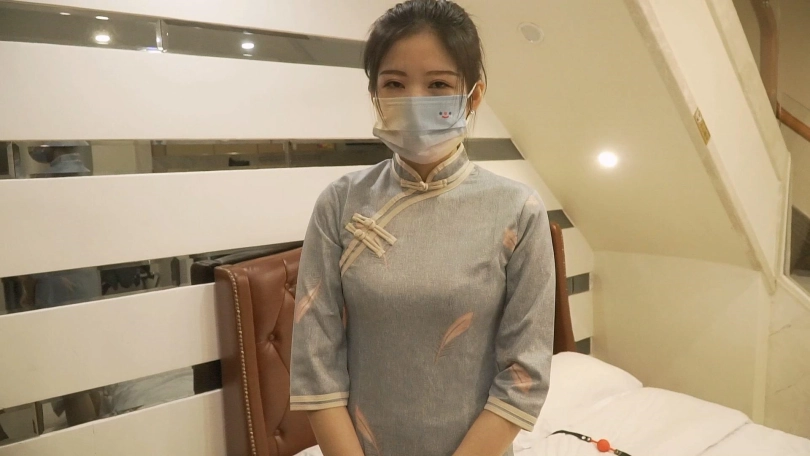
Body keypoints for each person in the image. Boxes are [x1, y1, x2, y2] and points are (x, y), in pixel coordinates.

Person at [289, 1, 555, 456]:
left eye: (438, 85)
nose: (415, 100)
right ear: (375, 94)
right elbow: (317, 367)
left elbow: (523, 376)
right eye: (394, 83)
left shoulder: (518, 211)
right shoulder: (340, 203)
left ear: (473, 96)